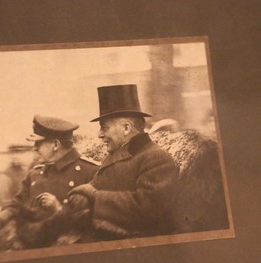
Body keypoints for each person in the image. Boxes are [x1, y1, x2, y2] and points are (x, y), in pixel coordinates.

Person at [69, 84, 180, 240]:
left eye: (104, 128)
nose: (100, 135)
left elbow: (147, 208)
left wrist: (95, 196)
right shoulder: (116, 155)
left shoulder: (157, 159)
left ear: (126, 128)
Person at [0, 115, 99, 247]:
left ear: (55, 144)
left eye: (38, 143)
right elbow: (18, 203)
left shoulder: (90, 172)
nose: (34, 148)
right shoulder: (36, 173)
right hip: (31, 244)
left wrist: (58, 209)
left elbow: (94, 221)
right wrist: (1, 217)